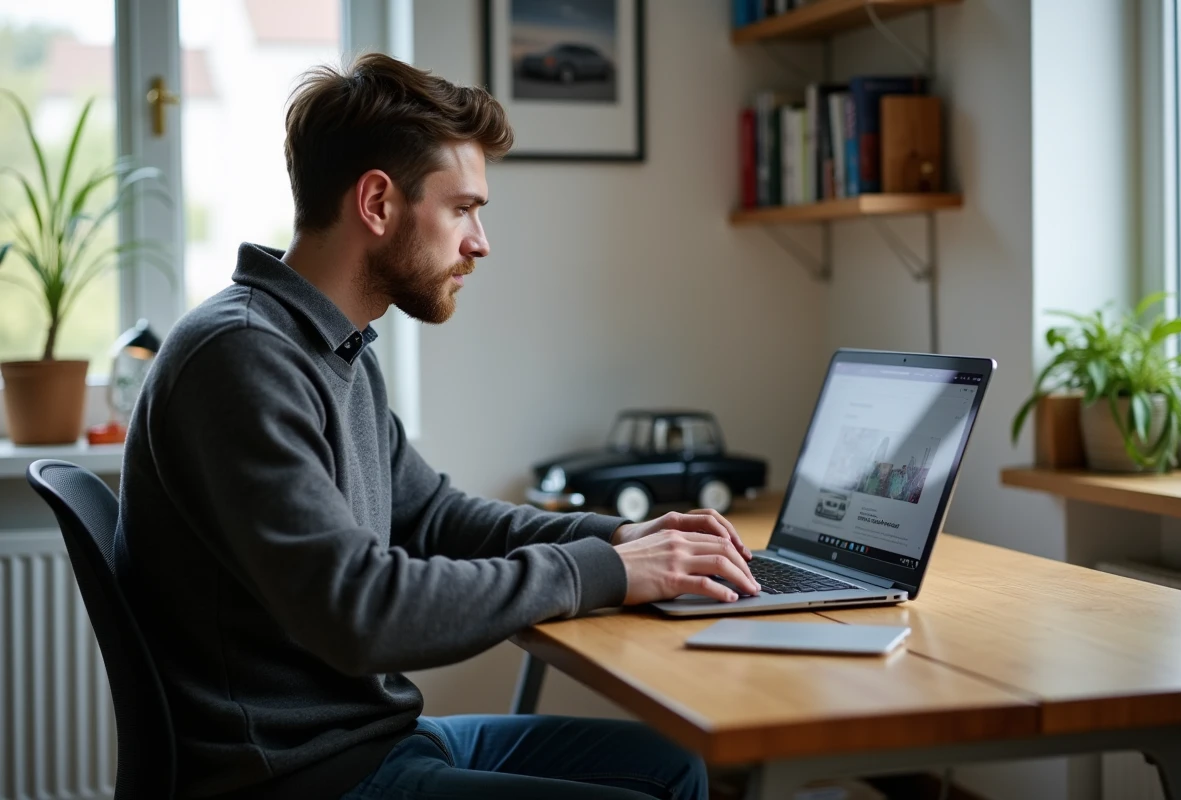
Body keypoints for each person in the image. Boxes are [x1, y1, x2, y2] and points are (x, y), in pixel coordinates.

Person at [117, 52, 760, 800]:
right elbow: (361, 610)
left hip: (366, 738)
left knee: (672, 766)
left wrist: (619, 539)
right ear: (379, 204)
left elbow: (434, 516)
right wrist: (605, 574)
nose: (479, 242)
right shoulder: (243, 357)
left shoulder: (332, 347)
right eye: (462, 209)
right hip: (301, 774)